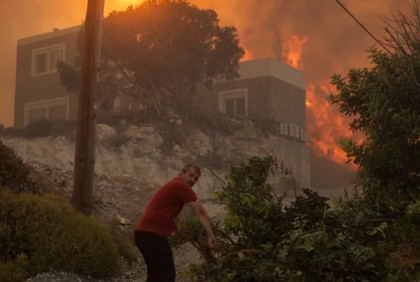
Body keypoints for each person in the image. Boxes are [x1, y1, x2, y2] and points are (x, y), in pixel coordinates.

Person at [134, 164, 217, 282]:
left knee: (155, 275)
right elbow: (201, 212)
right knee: (166, 275)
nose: (192, 180)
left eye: (196, 179)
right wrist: (211, 235)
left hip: (143, 233)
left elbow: (171, 215)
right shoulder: (181, 186)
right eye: (191, 175)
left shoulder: (174, 184)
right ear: (182, 173)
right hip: (151, 234)